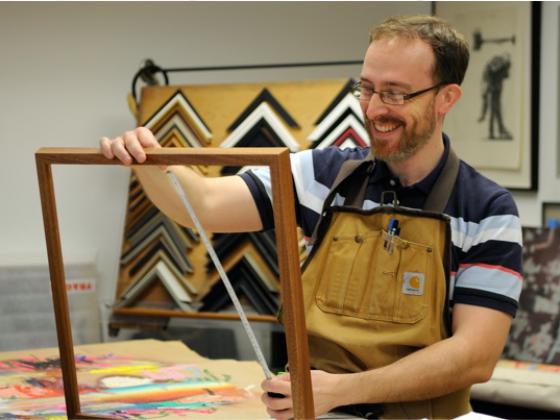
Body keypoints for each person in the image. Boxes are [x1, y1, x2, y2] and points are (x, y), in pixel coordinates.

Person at [100, 15, 522, 419]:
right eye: (367, 88)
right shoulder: (322, 177)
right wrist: (148, 158)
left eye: (395, 93)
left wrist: (343, 391)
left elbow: (475, 356)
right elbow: (205, 204)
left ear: (446, 98)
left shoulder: (487, 211)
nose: (374, 109)